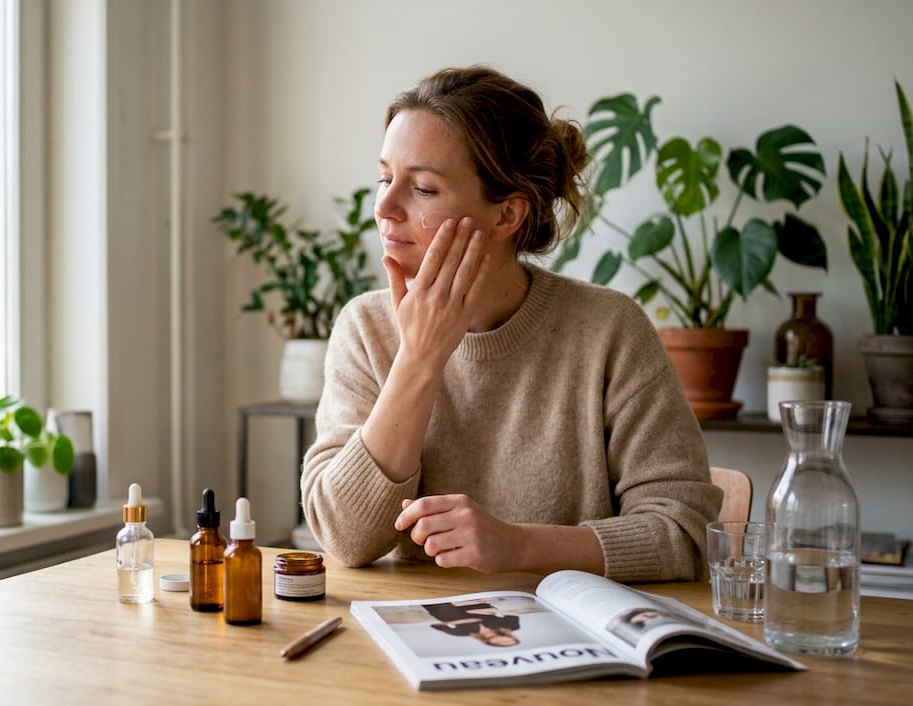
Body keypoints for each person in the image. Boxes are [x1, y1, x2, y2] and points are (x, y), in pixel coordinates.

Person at [299, 65, 721, 582]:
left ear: (506, 215)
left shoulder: (609, 331)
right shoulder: (366, 328)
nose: (384, 207)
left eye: (424, 189)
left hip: (579, 645)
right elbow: (345, 539)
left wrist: (518, 545)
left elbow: (686, 533)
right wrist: (419, 358)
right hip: (417, 643)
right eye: (385, 178)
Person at [422, 601, 520, 647]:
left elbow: (436, 625)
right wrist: (471, 617)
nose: (503, 641)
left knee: (446, 612)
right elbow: (502, 612)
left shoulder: (461, 633)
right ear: (513, 638)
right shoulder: (512, 626)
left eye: (502, 644)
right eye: (508, 641)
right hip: (473, 604)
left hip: (444, 608)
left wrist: (466, 620)